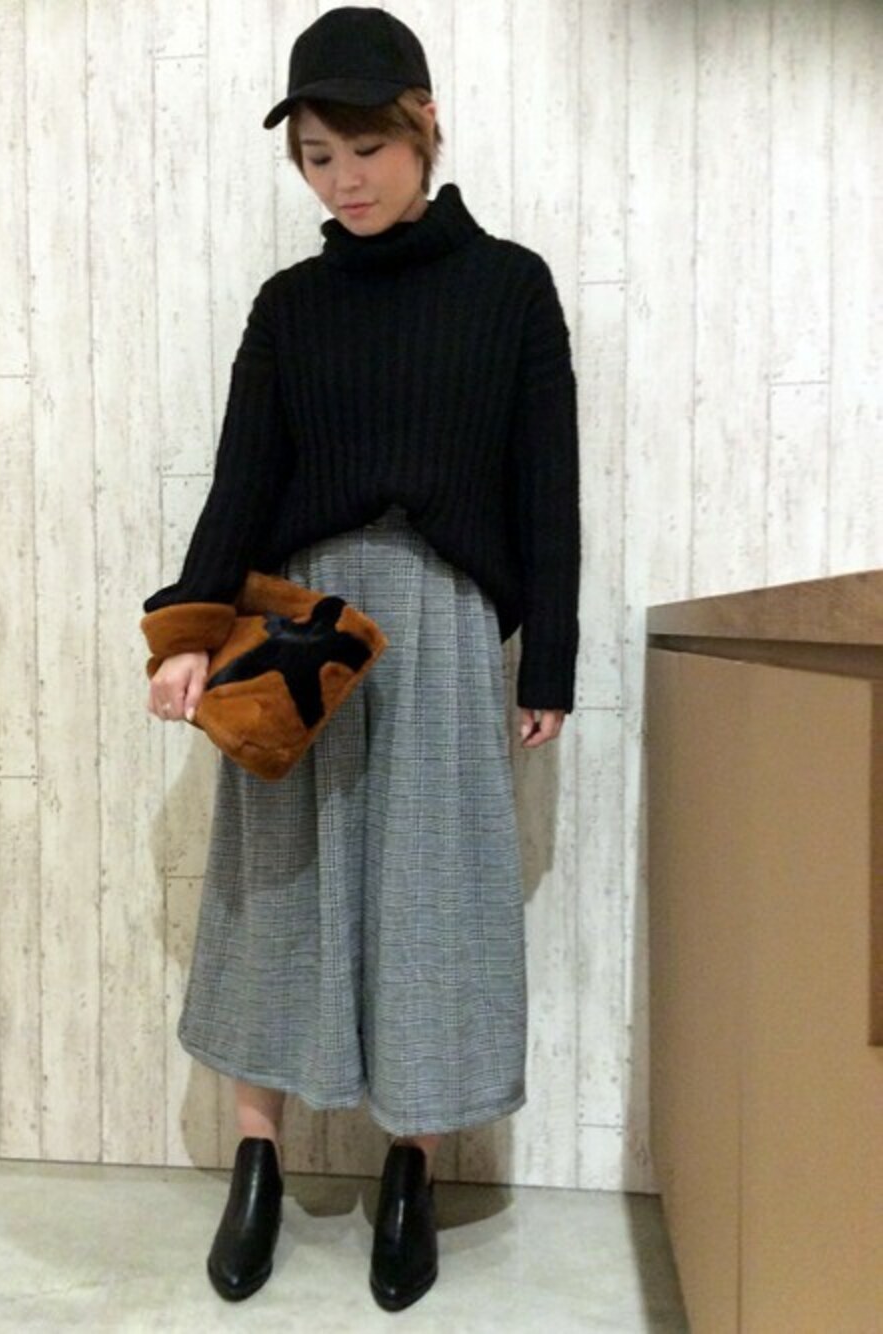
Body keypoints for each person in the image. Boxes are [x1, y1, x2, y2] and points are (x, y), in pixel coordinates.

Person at [140, 5, 580, 1314]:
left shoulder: (511, 289)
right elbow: (241, 482)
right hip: (297, 626)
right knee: (270, 885)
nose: (345, 180)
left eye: (366, 149)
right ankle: (258, 1163)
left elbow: (547, 490)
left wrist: (547, 663)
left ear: (426, 124)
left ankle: (409, 1169)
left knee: (434, 891)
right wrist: (189, 636)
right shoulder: (289, 307)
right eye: (318, 157)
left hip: (445, 621)